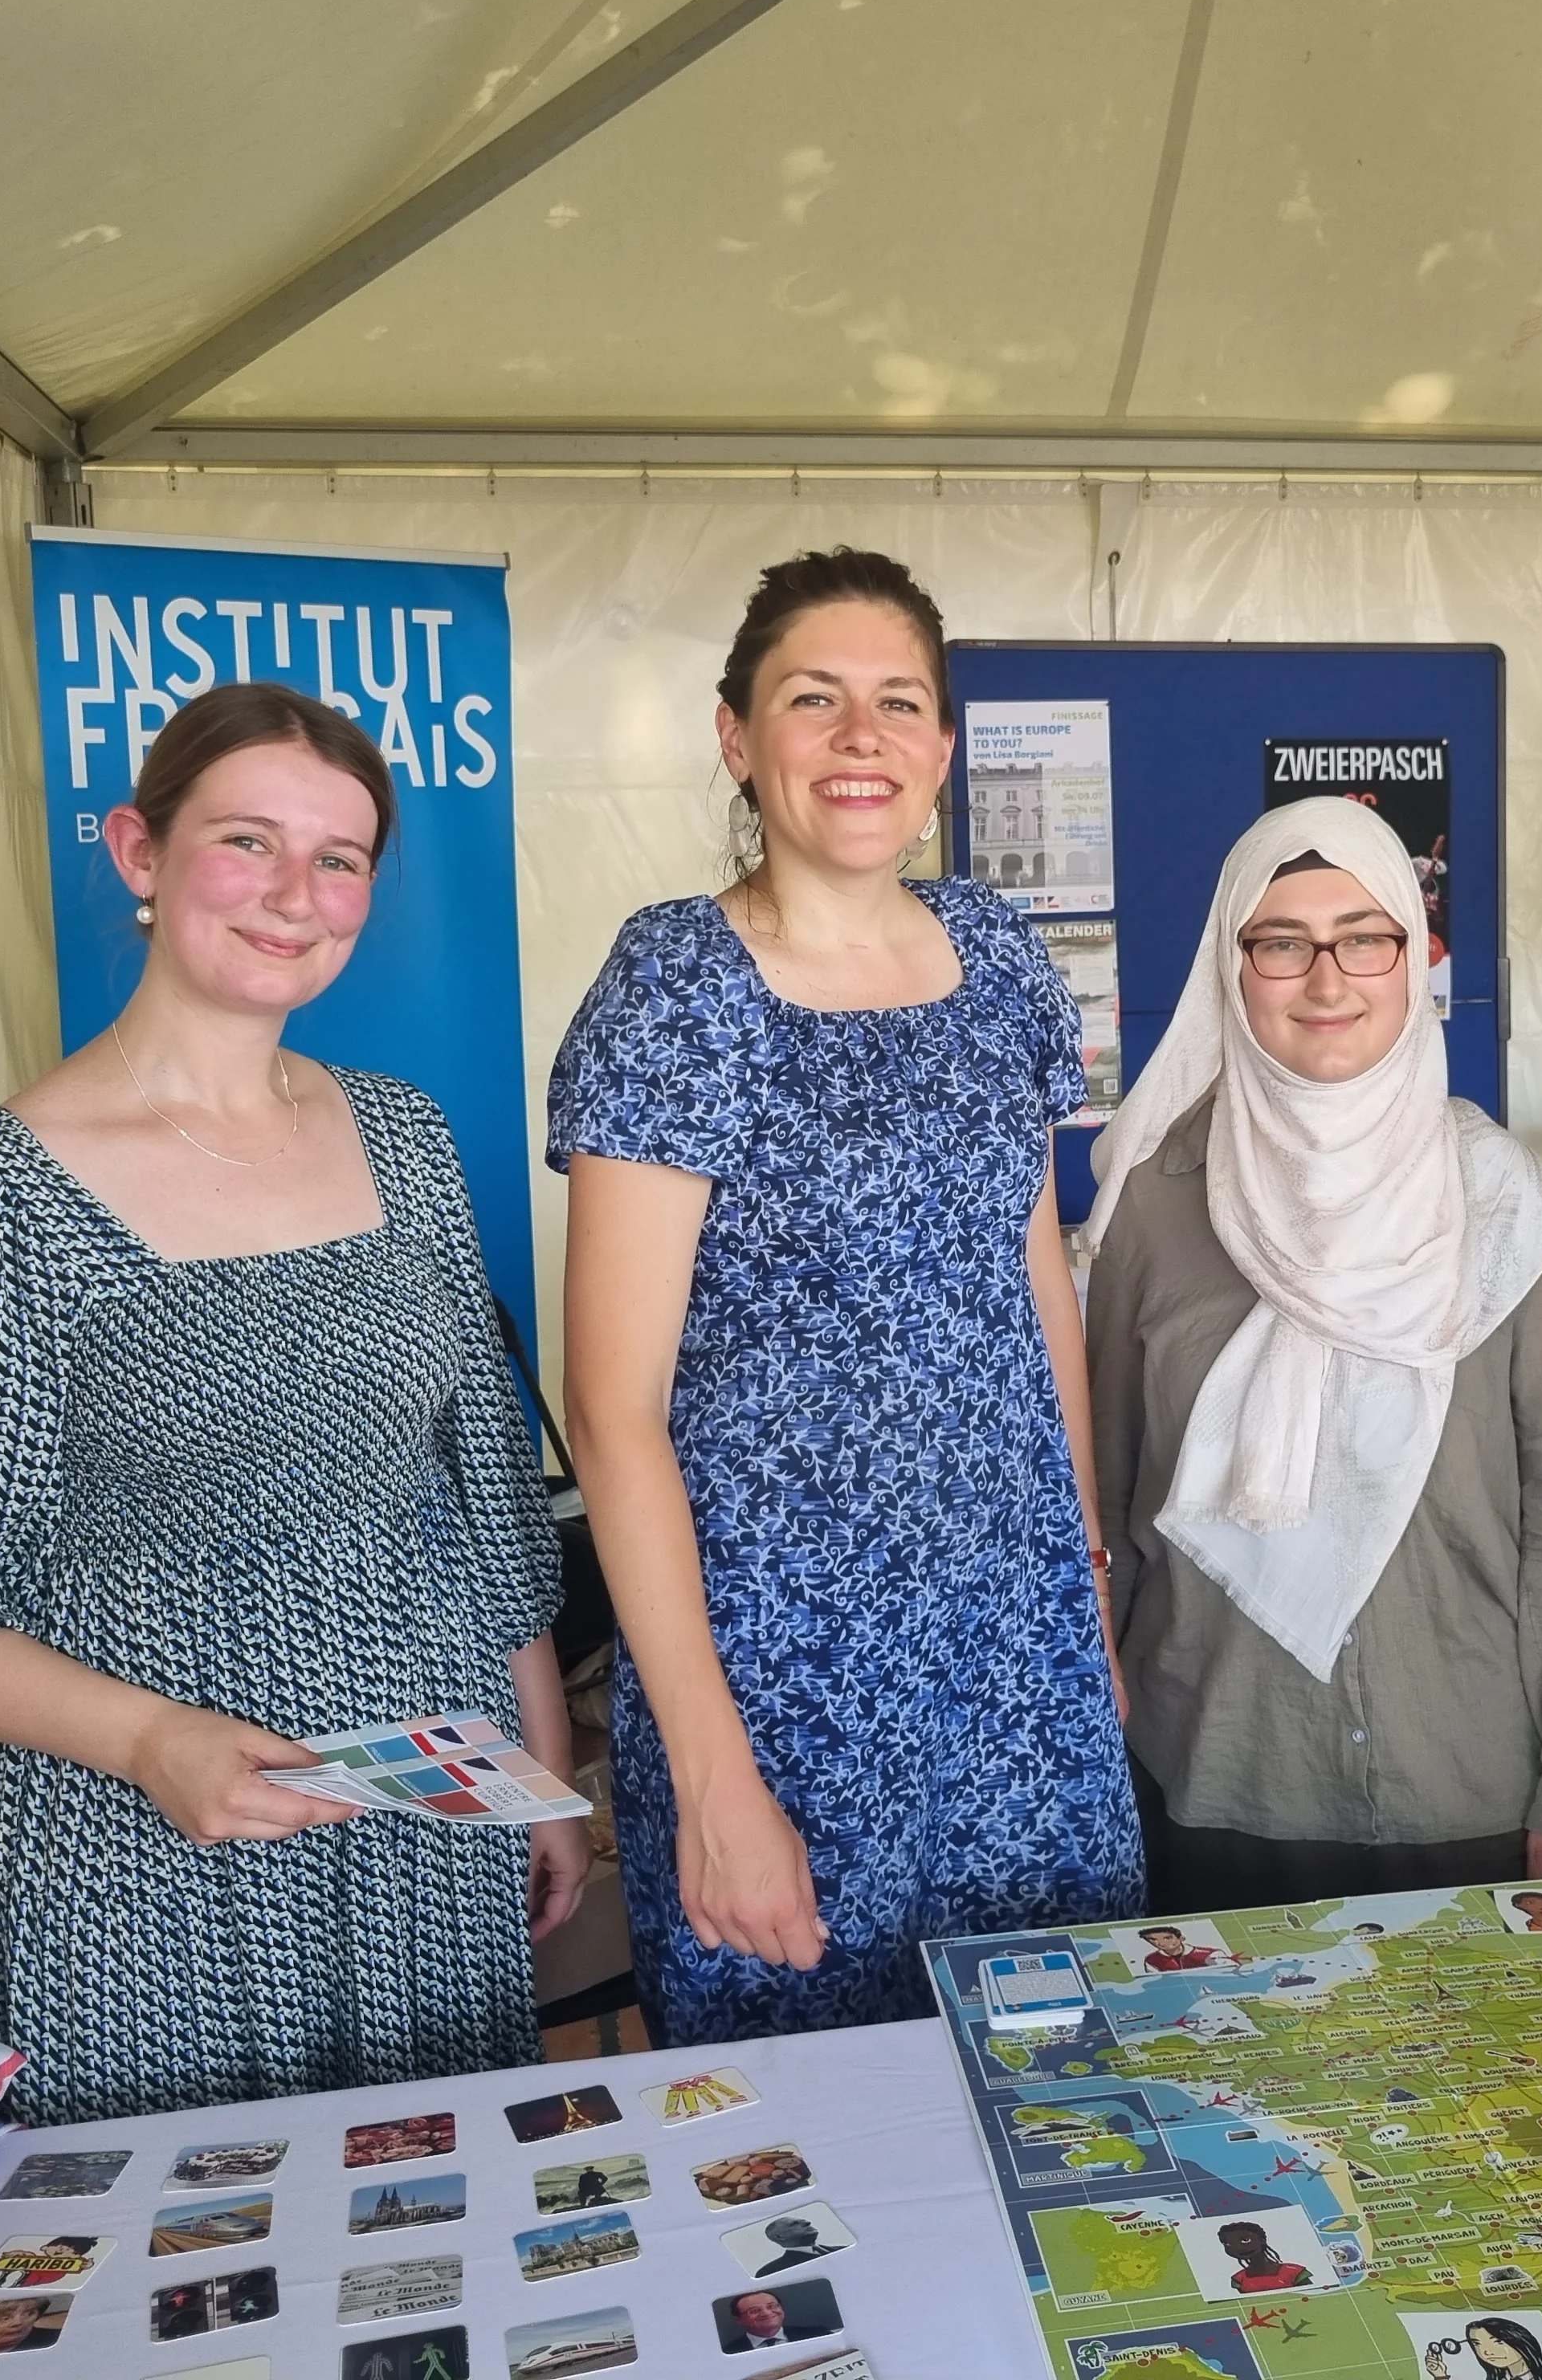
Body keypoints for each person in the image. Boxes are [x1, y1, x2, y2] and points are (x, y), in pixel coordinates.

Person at [0, 683, 581, 2126]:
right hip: (135, 1855)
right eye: (247, 841)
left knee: (435, 2259)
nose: (296, 895)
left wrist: (531, 1754)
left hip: (419, 1812)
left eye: (337, 858)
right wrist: (151, 1739)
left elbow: (476, 1472)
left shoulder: (401, 1133)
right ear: (139, 852)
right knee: (183, 2288)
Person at [551, 547, 1140, 2044]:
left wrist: (1083, 1589)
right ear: (736, 737)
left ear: (943, 747)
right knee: (800, 2152)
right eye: (812, 699)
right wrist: (708, 1772)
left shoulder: (1001, 957)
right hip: (775, 1665)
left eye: (897, 702)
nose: (859, 736)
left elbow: (1035, 1294)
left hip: (1011, 1643)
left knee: (1052, 2094)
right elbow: (611, 1415)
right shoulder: (676, 982)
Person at [1085, 797, 1542, 1912]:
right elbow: (1105, 1515)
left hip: (1464, 1782)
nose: (1327, 980)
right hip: (1213, 1773)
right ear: (1233, 970)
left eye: (1365, 936)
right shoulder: (1155, 1205)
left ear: (1411, 964)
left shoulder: (1509, 1211)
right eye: (1282, 942)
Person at [1216, 2218, 1311, 2292]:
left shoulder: (1294, 2272)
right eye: (1228, 2244)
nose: (1239, 2248)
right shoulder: (1239, 2279)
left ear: (1262, 2240)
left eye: (1246, 2240)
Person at [724, 2288, 831, 2349]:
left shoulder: (818, 2334)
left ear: (781, 2309)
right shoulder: (729, 2352)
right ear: (738, 2319)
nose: (766, 2313)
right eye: (754, 2311)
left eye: (771, 2306)